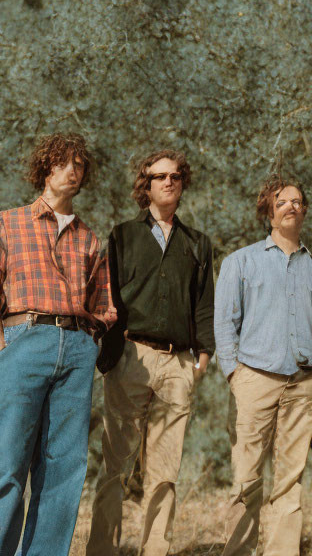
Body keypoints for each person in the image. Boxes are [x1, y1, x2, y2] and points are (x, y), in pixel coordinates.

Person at [0, 132, 111, 556]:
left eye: (79, 165)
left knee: (63, 471)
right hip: (21, 341)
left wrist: (88, 343)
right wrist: (1, 351)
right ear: (45, 168)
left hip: (76, 348)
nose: (72, 170)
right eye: (63, 162)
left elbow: (104, 306)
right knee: (5, 464)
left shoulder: (89, 238)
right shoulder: (7, 222)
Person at [88, 149, 215, 556]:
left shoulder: (198, 243)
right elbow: (107, 298)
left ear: (182, 183)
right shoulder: (122, 235)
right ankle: (103, 550)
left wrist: (203, 358)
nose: (168, 182)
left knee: (165, 471)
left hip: (178, 364)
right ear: (146, 185)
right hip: (131, 357)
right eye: (159, 176)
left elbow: (204, 303)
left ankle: (155, 549)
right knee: (116, 468)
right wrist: (110, 357)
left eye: (175, 176)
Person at [215, 176, 312, 556]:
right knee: (246, 478)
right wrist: (235, 374)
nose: (292, 206)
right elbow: (223, 323)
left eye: (298, 201)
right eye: (282, 201)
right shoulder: (241, 261)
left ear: (304, 211)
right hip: (254, 379)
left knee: (290, 480)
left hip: (304, 384)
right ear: (269, 211)